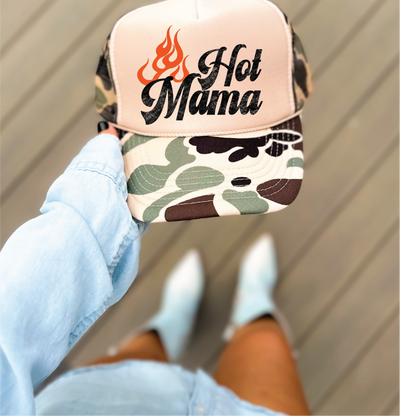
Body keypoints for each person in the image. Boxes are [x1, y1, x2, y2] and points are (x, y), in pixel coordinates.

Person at [0, 122, 311, 416]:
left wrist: (98, 199)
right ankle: (253, 305)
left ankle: (170, 326)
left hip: (103, 402)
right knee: (265, 338)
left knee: (144, 350)